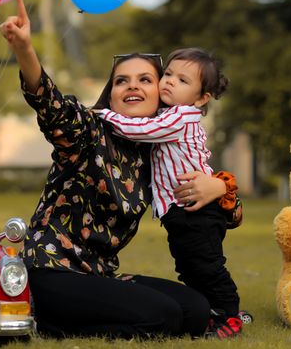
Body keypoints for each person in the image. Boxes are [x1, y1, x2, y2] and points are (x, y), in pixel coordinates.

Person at [0, 0, 240, 340]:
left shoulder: (157, 152)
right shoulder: (89, 132)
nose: (133, 86)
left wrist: (222, 187)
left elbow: (226, 213)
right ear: (110, 94)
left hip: (98, 276)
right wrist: (25, 50)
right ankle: (45, 321)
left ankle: (86, 315)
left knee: (197, 310)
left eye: (145, 80)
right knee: (165, 316)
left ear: (162, 93)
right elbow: (51, 105)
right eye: (122, 80)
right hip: (54, 272)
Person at [97, 47, 244, 339]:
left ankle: (230, 314)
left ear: (202, 98)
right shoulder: (171, 114)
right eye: (168, 74)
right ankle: (214, 311)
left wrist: (105, 114)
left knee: (207, 266)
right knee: (189, 267)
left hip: (197, 211)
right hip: (181, 214)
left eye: (183, 80)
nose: (170, 82)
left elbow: (141, 130)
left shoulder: (182, 117)